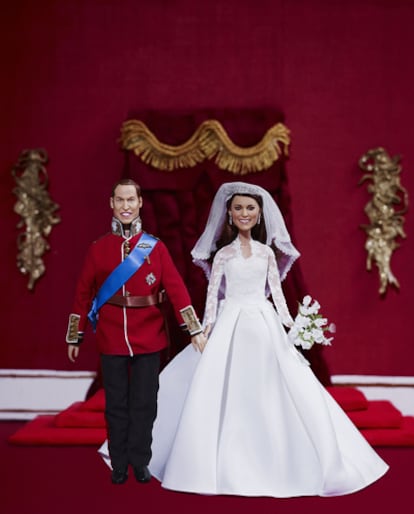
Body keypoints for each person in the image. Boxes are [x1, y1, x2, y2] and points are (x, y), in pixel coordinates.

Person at [100, 181, 389, 497]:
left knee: (279, 387)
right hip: (231, 321)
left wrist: (296, 326)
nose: (244, 213)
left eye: (250, 208)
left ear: (260, 213)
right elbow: (212, 295)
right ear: (229, 213)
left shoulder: (267, 253)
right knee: (218, 386)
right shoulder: (223, 254)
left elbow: (276, 294)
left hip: (263, 323)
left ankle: (288, 461)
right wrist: (204, 328)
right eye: (238, 208)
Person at [66, 178, 206, 485]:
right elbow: (82, 293)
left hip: (149, 337)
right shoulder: (98, 250)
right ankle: (119, 463)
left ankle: (141, 461)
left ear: (140, 203)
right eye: (120, 200)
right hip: (111, 337)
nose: (126, 206)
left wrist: (194, 330)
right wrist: (74, 335)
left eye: (131, 200)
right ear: (112, 204)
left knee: (145, 404)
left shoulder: (154, 248)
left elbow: (177, 289)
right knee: (115, 405)